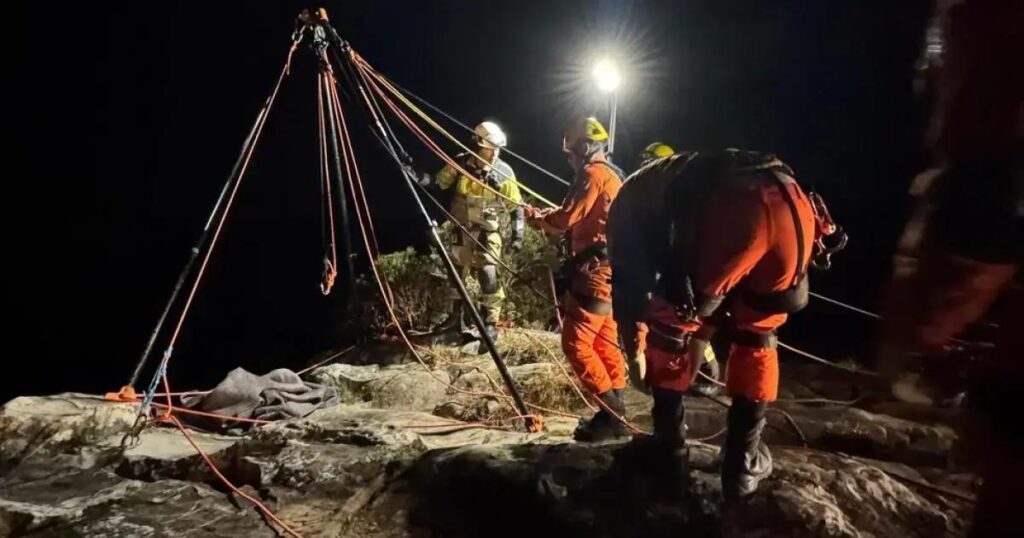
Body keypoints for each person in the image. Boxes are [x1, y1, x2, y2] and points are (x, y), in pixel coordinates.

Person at [607, 149, 820, 501]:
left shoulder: (625, 209)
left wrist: (634, 355)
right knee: (759, 329)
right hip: (796, 204)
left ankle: (669, 452)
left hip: (737, 210)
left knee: (670, 324)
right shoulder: (678, 178)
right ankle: (742, 465)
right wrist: (700, 338)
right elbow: (720, 296)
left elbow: (629, 290)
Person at [525, 116, 629, 441]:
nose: (570, 159)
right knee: (604, 342)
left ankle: (612, 415)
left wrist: (538, 219)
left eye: (571, 153)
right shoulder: (614, 175)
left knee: (576, 343)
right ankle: (618, 410)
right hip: (611, 271)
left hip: (593, 273)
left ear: (584, 148)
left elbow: (566, 219)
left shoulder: (592, 174)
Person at [425, 121, 524, 342]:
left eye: (497, 148)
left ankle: (490, 322)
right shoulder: (461, 164)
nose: (494, 152)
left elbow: (516, 208)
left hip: (486, 232)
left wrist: (518, 236)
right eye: (490, 148)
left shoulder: (503, 172)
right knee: (456, 273)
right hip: (461, 229)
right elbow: (438, 183)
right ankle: (455, 319)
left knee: (488, 273)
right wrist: (417, 175)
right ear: (478, 145)